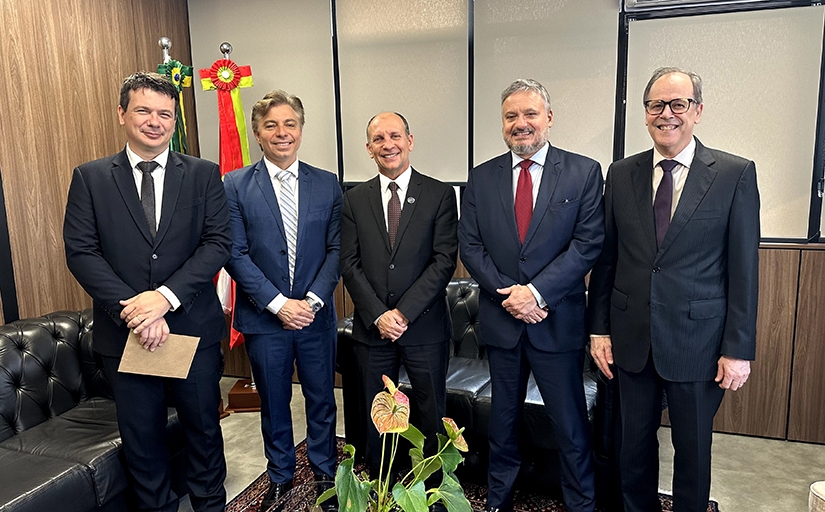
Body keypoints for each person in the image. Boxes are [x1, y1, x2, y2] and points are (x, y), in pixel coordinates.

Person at [588, 67, 760, 512]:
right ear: (645, 115)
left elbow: (743, 269)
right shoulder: (622, 173)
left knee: (693, 454)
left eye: (678, 104)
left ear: (697, 111)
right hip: (632, 339)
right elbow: (608, 259)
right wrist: (599, 329)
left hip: (698, 343)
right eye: (656, 105)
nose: (667, 114)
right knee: (633, 452)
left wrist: (737, 349)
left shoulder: (733, 174)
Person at [63, 72, 230, 512]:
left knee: (204, 435)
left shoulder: (203, 174)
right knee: (144, 442)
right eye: (143, 110)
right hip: (126, 338)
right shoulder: (91, 177)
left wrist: (165, 298)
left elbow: (217, 243)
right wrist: (136, 312)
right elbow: (81, 253)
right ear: (122, 114)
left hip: (192, 331)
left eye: (164, 114)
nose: (154, 122)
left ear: (174, 122)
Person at [458, 79, 604, 512]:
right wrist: (512, 295)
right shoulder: (481, 177)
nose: (520, 124)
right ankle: (497, 503)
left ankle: (582, 505)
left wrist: (536, 294)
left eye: (530, 114)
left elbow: (587, 244)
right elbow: (471, 245)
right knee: (502, 426)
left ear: (549, 118)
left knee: (570, 426)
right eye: (511, 116)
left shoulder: (583, 171)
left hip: (556, 322)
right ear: (502, 123)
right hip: (503, 323)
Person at [223, 90, 342, 510]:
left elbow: (336, 250)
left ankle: (325, 472)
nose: (282, 132)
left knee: (321, 398)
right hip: (264, 319)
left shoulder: (327, 183)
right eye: (271, 125)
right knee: (274, 402)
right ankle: (280, 476)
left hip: (315, 317)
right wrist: (277, 304)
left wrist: (309, 302)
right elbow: (233, 253)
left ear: (301, 129)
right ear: (257, 133)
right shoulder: (235, 184)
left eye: (290, 123)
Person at [340, 112, 457, 491]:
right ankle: (380, 485)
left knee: (430, 410)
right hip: (373, 330)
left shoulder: (440, 193)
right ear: (369, 148)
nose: (387, 144)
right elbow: (349, 263)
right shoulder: (353, 199)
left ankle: (433, 485)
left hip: (423, 327)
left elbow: (443, 261)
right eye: (378, 138)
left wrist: (402, 313)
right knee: (376, 414)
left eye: (394, 135)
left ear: (410, 139)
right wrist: (378, 315)